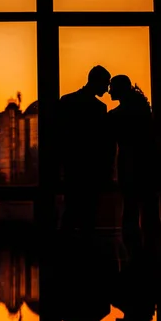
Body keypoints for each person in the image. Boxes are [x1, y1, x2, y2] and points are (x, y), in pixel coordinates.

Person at [57, 65, 116, 232]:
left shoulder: (67, 101)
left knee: (70, 212)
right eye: (106, 83)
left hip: (72, 168)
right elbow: (104, 143)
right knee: (89, 216)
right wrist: (107, 171)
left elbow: (61, 137)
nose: (107, 88)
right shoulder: (99, 108)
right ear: (97, 82)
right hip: (92, 171)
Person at [107, 74, 161, 251]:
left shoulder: (115, 116)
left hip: (128, 167)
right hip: (148, 167)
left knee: (130, 209)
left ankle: (133, 251)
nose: (108, 91)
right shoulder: (144, 112)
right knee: (149, 210)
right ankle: (152, 250)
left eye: (112, 87)